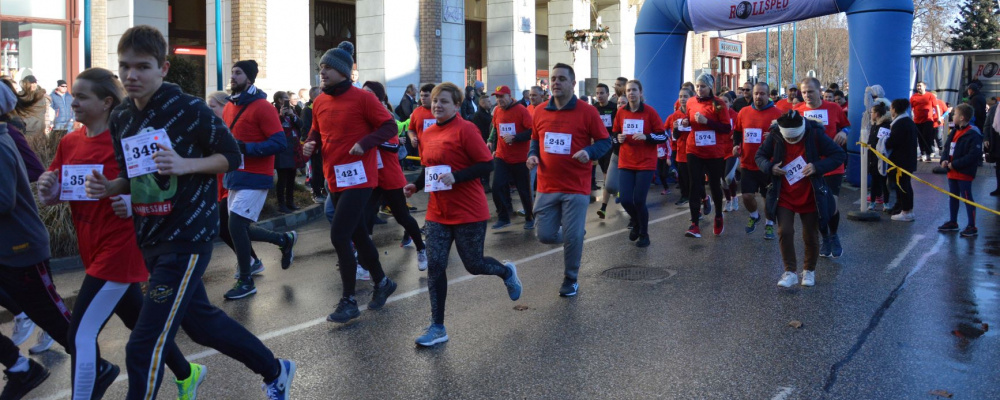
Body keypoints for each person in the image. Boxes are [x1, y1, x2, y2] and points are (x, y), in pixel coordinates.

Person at [85, 25, 295, 399]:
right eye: (125, 67)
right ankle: (276, 369)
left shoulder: (189, 109)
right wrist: (110, 187)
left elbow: (231, 156)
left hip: (187, 233)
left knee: (143, 345)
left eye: (142, 67)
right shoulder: (121, 119)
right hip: (150, 235)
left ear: (163, 68)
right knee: (201, 325)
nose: (131, 75)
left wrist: (185, 164)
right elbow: (130, 177)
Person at [37, 67, 206, 400]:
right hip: (92, 247)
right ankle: (188, 373)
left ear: (106, 102)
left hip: (122, 249)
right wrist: (48, 188)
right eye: (73, 95)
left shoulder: (130, 141)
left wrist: (129, 202)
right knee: (139, 322)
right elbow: (59, 190)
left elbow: (161, 189)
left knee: (80, 336)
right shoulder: (70, 141)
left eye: (82, 97)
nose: (73, 103)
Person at [401, 82, 522, 346]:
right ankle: (437, 326)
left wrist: (456, 176)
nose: (437, 105)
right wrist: (416, 185)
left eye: (444, 101)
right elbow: (430, 168)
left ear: (457, 105)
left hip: (468, 210)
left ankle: (506, 272)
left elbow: (486, 164)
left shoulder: (466, 129)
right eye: (434, 101)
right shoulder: (429, 132)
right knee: (435, 268)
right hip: (437, 212)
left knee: (473, 264)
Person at [302, 41, 399, 323]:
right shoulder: (319, 101)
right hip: (335, 178)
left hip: (361, 178)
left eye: (328, 67)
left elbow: (390, 126)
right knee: (357, 234)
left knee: (339, 235)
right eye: (321, 67)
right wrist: (310, 144)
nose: (323, 72)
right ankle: (382, 282)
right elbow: (315, 133)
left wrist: (365, 142)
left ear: (344, 72)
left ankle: (349, 300)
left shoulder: (363, 99)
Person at [0, 78, 85, 400]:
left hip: (20, 247)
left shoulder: (2, 141)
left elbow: (4, 199)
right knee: (44, 313)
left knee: (52, 317)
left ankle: (96, 365)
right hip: (6, 248)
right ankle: (20, 368)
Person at [527, 63, 611, 296]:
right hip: (546, 185)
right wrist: (532, 155)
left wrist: (589, 152)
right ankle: (575, 235)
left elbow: (605, 141)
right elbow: (535, 140)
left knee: (572, 237)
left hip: (576, 186)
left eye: (562, 79)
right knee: (544, 235)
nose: (555, 82)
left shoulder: (588, 111)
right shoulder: (540, 111)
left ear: (573, 84)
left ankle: (570, 278)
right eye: (553, 78)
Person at [222, 59, 298, 300]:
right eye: (232, 73)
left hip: (257, 176)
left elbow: (279, 143)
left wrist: (245, 148)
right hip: (234, 175)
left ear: (250, 78)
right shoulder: (228, 106)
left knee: (235, 225)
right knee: (233, 227)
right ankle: (283, 240)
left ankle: (246, 280)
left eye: (238, 73)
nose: (233, 77)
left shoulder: (263, 107)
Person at [756, 110, 846, 288]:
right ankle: (790, 272)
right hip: (784, 192)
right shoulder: (775, 135)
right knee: (785, 231)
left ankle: (809, 271)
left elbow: (838, 155)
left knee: (810, 235)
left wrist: (817, 166)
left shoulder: (815, 134)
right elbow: (760, 156)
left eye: (794, 138)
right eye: (787, 138)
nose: (790, 141)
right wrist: (770, 167)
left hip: (810, 193)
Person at [360, 80, 428, 270]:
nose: (363, 95)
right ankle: (364, 260)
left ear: (378, 96)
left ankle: (421, 248)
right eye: (362, 91)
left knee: (402, 216)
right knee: (366, 217)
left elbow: (393, 145)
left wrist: (368, 142)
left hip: (389, 175)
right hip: (369, 175)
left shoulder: (385, 115)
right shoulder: (361, 116)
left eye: (368, 92)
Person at [207, 90, 264, 278]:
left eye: (212, 106)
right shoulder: (212, 127)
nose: (209, 109)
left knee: (228, 227)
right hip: (221, 185)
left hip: (234, 184)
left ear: (226, 107)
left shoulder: (231, 129)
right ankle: (255, 258)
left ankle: (251, 264)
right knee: (231, 228)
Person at [794, 77, 849, 258]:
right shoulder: (797, 111)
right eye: (803, 92)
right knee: (817, 206)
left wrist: (843, 132)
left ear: (819, 92)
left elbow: (846, 126)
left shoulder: (833, 108)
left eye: (810, 91)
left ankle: (834, 235)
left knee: (830, 204)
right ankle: (824, 237)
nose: (807, 95)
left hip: (832, 164)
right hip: (809, 166)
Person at [612, 79, 667, 247]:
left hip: (645, 163)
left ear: (641, 93)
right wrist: (618, 138)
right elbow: (614, 134)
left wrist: (647, 137)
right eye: (628, 90)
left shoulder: (650, 112)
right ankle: (636, 222)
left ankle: (644, 234)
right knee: (626, 200)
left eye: (634, 90)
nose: (631, 93)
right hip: (626, 162)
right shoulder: (621, 112)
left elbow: (663, 136)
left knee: (639, 201)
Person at [682, 73, 731, 238]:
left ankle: (718, 215)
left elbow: (726, 128)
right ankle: (694, 224)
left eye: (703, 86)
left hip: (713, 151)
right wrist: (686, 122)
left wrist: (707, 122)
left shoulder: (719, 104)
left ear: (710, 87)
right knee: (694, 185)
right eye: (697, 86)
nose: (699, 89)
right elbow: (689, 119)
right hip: (694, 149)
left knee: (714, 185)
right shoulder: (690, 102)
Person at [734, 82, 783, 239]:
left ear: (768, 95)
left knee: (767, 199)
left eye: (762, 93)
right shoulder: (743, 112)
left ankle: (769, 224)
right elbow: (737, 132)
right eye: (756, 93)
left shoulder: (778, 114)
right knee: (747, 196)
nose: (758, 96)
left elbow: (787, 138)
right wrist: (736, 145)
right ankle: (755, 216)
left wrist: (776, 137)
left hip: (768, 164)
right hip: (748, 162)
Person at [486, 85, 535, 230]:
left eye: (502, 96)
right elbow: (495, 129)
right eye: (497, 97)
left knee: (523, 189)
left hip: (520, 158)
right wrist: (492, 144)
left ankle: (529, 217)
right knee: (497, 187)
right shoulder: (497, 111)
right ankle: (503, 217)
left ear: (509, 96)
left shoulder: (521, 110)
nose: (499, 100)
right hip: (502, 156)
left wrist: (515, 137)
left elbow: (532, 131)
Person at [938, 103, 982, 237]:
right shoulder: (955, 131)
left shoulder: (973, 134)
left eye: (955, 114)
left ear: (962, 117)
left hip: (964, 172)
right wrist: (944, 160)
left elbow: (973, 155)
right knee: (953, 197)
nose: (953, 116)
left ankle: (972, 225)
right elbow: (947, 148)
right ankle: (953, 222)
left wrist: (955, 164)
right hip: (952, 172)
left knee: (967, 198)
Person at [884, 99, 919, 221]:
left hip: (902, 161)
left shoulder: (900, 124)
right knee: (904, 185)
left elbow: (892, 142)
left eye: (891, 108)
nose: (890, 110)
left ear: (895, 109)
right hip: (906, 160)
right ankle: (904, 208)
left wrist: (884, 140)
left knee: (903, 185)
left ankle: (906, 211)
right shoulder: (907, 121)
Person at [273, 90, 304, 213]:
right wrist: (281, 115)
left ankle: (290, 202)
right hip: (282, 148)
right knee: (282, 178)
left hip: (293, 147)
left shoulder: (292, 110)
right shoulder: (274, 110)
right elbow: (274, 126)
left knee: (292, 177)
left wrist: (292, 115)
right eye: (285, 98)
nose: (287, 100)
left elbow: (300, 124)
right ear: (279, 100)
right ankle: (281, 204)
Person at [594, 83, 619, 218]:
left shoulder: (613, 108)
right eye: (597, 93)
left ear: (607, 94)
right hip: (599, 145)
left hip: (611, 145)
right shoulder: (593, 109)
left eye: (602, 93)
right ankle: (616, 187)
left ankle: (603, 207)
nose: (599, 96)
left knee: (607, 174)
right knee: (604, 172)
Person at [667, 88, 694, 208]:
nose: (682, 99)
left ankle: (696, 196)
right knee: (682, 176)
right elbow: (675, 136)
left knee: (693, 176)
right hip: (681, 149)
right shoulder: (675, 115)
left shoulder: (694, 112)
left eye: (685, 96)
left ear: (691, 98)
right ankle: (684, 196)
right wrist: (676, 128)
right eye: (680, 96)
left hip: (694, 149)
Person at [866, 100, 892, 211]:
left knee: (883, 181)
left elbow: (882, 143)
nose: (870, 114)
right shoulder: (874, 126)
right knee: (874, 181)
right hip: (872, 158)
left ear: (877, 114)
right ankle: (872, 201)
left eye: (872, 112)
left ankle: (886, 202)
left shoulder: (885, 126)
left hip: (881, 159)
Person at [300, 86, 326, 202]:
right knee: (316, 170)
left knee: (324, 170)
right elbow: (305, 129)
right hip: (315, 145)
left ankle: (324, 190)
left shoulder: (322, 107)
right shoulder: (307, 110)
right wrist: (310, 144)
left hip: (324, 144)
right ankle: (316, 193)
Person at [910, 81, 942, 162]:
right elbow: (910, 108)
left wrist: (939, 118)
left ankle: (928, 154)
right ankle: (923, 154)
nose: (918, 87)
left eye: (920, 86)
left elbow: (936, 106)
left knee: (927, 137)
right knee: (920, 137)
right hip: (917, 121)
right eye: (917, 86)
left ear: (924, 86)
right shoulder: (913, 97)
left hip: (928, 120)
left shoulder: (930, 95)